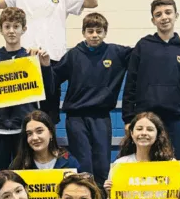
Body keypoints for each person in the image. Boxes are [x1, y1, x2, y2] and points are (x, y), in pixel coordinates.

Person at [0, 0, 99, 124]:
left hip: (53, 62)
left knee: (49, 117)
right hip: (25, 62)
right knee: (25, 116)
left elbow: (92, 2)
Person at [53, 13, 132, 186]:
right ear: (83, 33)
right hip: (76, 118)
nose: (94, 35)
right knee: (83, 164)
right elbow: (53, 78)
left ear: (105, 33)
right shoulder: (73, 55)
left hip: (101, 117)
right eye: (90, 31)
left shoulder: (116, 53)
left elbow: (143, 53)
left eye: (99, 31)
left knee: (102, 164)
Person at [121, 0, 180, 171]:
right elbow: (130, 83)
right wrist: (128, 118)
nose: (164, 17)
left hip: (177, 117)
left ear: (176, 16)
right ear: (153, 20)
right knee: (148, 166)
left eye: (168, 12)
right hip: (147, 117)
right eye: (158, 14)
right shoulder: (143, 45)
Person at [0, 7, 52, 172]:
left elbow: (48, 91)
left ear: (23, 29)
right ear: (1, 30)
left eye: (16, 26)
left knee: (26, 176)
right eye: (7, 26)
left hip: (24, 131)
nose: (11, 31)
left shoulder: (31, 58)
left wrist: (45, 66)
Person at [9, 110, 79, 171]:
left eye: (39, 131)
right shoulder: (18, 165)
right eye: (29, 133)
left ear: (51, 133)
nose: (34, 138)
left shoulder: (69, 162)